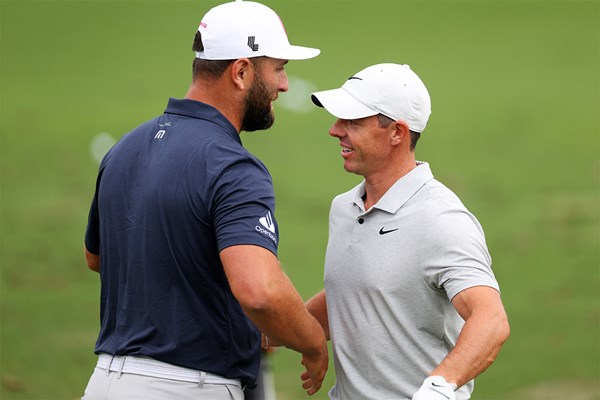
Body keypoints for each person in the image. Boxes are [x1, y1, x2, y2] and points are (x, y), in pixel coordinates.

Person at [81, 1, 328, 399]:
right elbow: (260, 291)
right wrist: (313, 342)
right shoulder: (234, 167)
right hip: (188, 387)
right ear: (242, 71)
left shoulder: (124, 148)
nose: (284, 85)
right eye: (279, 69)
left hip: (104, 382)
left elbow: (97, 257)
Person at [305, 63, 510, 400]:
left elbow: (491, 320)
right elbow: (357, 293)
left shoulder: (440, 218)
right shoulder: (344, 207)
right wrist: (268, 328)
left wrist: (439, 387)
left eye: (352, 122)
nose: (335, 130)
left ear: (397, 132)